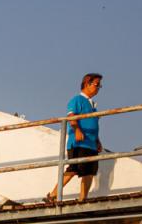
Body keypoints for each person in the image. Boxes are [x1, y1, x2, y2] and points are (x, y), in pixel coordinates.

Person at [45, 73, 105, 205]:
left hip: (91, 143)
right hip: (78, 142)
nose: (98, 88)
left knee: (89, 172)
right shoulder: (77, 100)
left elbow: (94, 125)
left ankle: (83, 199)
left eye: (99, 85)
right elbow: (71, 117)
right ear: (87, 84)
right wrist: (77, 130)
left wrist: (97, 141)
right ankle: (53, 195)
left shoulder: (93, 105)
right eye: (96, 84)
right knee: (73, 169)